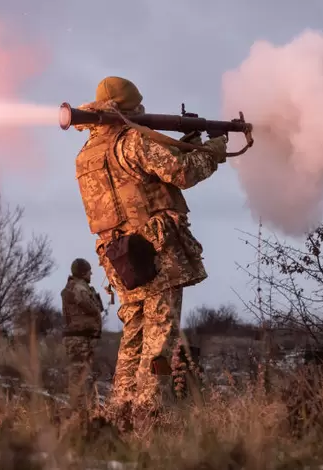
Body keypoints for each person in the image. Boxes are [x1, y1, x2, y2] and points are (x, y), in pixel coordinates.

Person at [72, 76, 228, 424]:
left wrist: (184, 144)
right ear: (130, 106)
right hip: (155, 248)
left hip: (119, 255)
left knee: (134, 332)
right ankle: (149, 413)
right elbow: (183, 173)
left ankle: (120, 411)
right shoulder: (133, 140)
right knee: (161, 333)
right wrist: (214, 150)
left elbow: (136, 182)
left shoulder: (86, 155)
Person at [60, 257, 105, 427]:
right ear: (83, 272)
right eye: (89, 271)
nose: (91, 274)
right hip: (78, 338)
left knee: (82, 375)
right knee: (78, 376)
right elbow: (90, 307)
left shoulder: (76, 286)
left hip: (81, 338)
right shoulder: (79, 288)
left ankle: (83, 411)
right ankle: (78, 414)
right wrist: (94, 302)